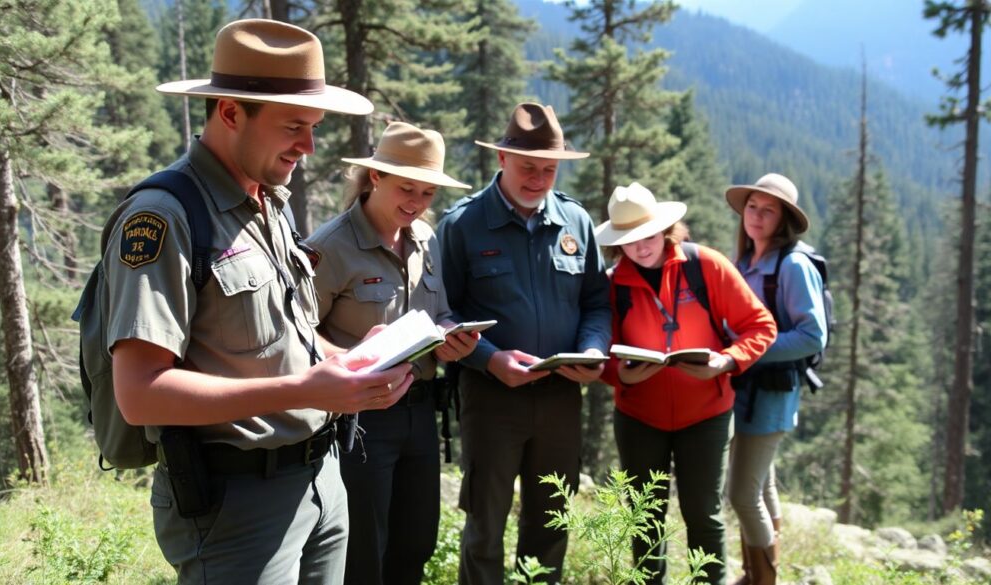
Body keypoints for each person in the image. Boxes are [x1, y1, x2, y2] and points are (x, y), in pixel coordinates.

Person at [104, 19, 414, 584]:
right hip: (235, 506)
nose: (310, 145)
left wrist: (340, 359)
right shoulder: (163, 217)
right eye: (294, 125)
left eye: (315, 126)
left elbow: (282, 333)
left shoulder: (269, 202)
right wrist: (303, 389)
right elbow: (139, 394)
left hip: (321, 480)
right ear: (229, 113)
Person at [436, 102, 612, 584]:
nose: (539, 178)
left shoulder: (576, 223)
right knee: (485, 527)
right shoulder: (463, 224)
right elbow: (438, 316)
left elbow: (597, 303)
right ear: (502, 160)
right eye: (528, 167)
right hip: (491, 400)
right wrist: (489, 360)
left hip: (560, 398)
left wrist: (594, 349)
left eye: (549, 169)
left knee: (551, 523)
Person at [305, 121, 478, 584]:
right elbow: (295, 333)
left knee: (415, 542)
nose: (417, 202)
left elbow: (437, 313)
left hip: (419, 412)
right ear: (375, 177)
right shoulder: (330, 246)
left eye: (427, 193)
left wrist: (451, 336)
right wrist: (348, 357)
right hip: (360, 419)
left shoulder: (425, 239)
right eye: (407, 188)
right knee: (364, 548)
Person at [596, 182, 777, 585]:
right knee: (644, 518)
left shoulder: (705, 266)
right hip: (639, 416)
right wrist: (617, 374)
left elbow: (760, 326)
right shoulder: (611, 284)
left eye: (648, 235)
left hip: (707, 415)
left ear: (665, 229)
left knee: (703, 515)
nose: (641, 247)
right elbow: (600, 349)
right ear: (617, 245)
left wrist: (727, 360)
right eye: (629, 241)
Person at [724, 173, 828, 585]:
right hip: (746, 392)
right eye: (752, 206)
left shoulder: (793, 265)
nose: (757, 216)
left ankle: (761, 580)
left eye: (768, 210)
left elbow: (812, 335)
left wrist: (749, 350)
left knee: (741, 495)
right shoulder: (745, 264)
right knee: (761, 488)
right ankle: (759, 574)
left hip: (770, 397)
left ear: (783, 219)